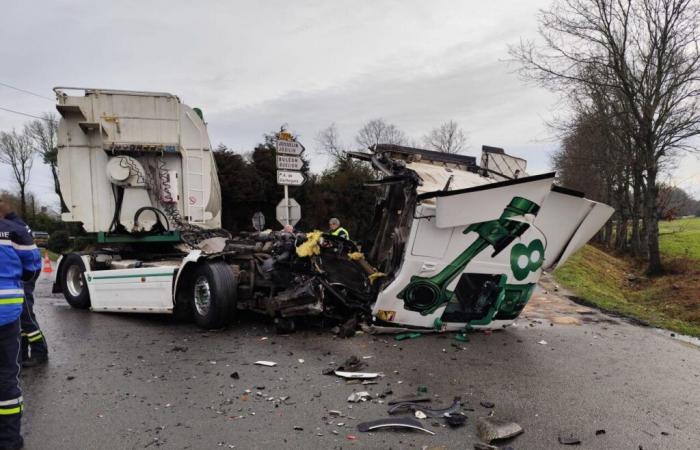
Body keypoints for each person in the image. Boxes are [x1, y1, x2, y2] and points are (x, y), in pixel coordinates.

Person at [0, 213, 41, 450]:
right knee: (6, 376)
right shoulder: (12, 229)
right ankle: (9, 441)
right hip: (5, 314)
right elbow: (32, 265)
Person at [0, 200, 47, 367]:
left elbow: (29, 255)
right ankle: (23, 354)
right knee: (19, 320)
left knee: (26, 317)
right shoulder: (15, 223)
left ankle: (40, 351)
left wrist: (25, 278)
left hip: (20, 280)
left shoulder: (14, 225)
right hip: (19, 279)